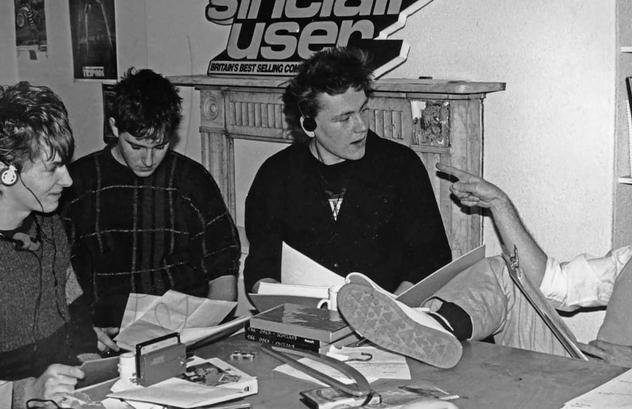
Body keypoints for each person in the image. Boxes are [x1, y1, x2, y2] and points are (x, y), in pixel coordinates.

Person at [337, 129, 632, 371]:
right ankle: (431, 330)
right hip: (591, 379)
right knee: (506, 272)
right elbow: (552, 285)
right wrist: (500, 204)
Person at [243, 47, 451, 296]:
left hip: (392, 311)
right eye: (345, 118)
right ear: (309, 124)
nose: (361, 126)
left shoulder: (401, 165)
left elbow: (431, 260)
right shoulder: (276, 175)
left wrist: (390, 309)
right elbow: (260, 268)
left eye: (363, 110)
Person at [62, 68, 241, 351]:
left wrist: (205, 332)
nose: (148, 159)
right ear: (114, 127)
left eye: (159, 146)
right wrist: (81, 331)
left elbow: (222, 268)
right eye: (136, 146)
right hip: (104, 340)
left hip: (184, 337)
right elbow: (57, 275)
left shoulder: (192, 181)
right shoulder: (78, 184)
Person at [0, 82, 89, 407]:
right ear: (6, 173)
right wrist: (27, 393)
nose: (68, 180)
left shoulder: (50, 223)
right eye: (52, 168)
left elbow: (71, 297)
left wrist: (91, 364)